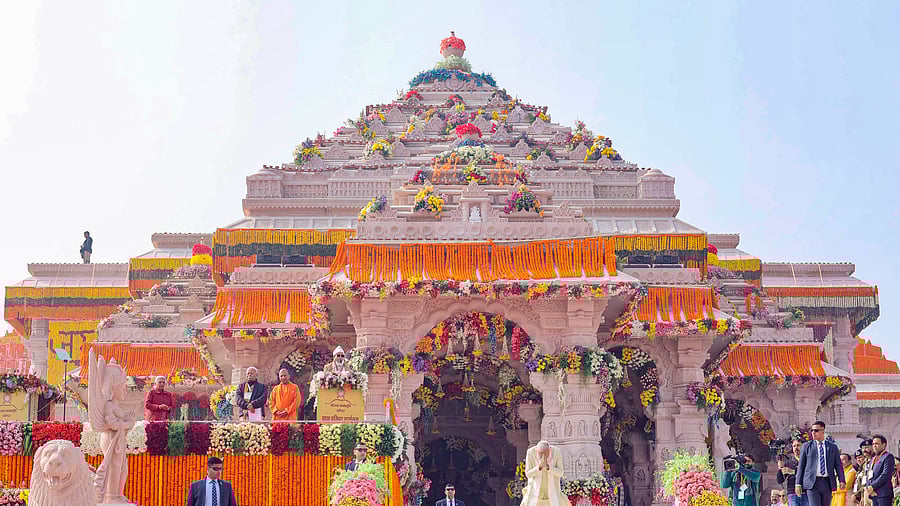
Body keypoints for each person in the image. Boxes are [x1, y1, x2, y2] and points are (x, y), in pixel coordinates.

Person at [796, 421, 846, 506]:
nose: (813, 433)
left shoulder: (832, 447)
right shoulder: (806, 446)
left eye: (816, 430)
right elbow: (801, 466)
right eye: (812, 430)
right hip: (812, 483)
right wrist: (798, 483)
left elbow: (838, 465)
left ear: (823, 431)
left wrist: (842, 480)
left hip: (827, 482)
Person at [520, 440, 569, 506]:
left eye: (545, 454)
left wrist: (549, 468)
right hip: (535, 494)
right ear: (536, 450)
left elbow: (560, 473)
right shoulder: (530, 453)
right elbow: (528, 474)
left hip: (552, 493)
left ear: (549, 450)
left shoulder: (556, 452)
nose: (543, 457)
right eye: (540, 454)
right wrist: (539, 468)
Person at [865, 434, 895, 506]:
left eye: (877, 444)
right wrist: (867, 487)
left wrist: (872, 486)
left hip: (883, 494)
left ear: (883, 445)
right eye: (873, 444)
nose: (874, 446)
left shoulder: (888, 457)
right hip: (873, 493)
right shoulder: (873, 458)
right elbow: (869, 474)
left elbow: (885, 475)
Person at [780, 439, 806, 506]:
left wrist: (793, 471)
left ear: (803, 447)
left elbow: (808, 474)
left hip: (806, 493)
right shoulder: (788, 462)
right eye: (794, 446)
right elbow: (780, 480)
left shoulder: (808, 461)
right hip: (792, 493)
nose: (796, 448)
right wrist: (780, 468)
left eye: (798, 445)